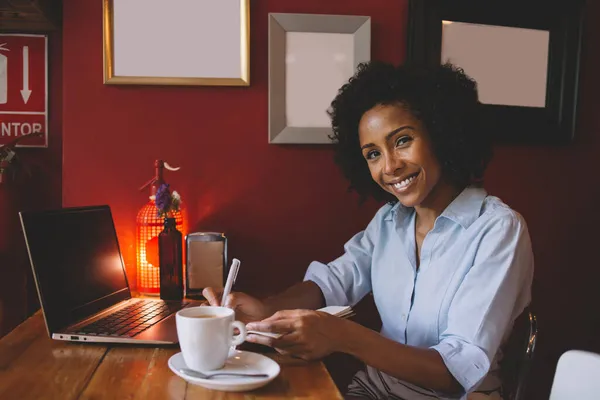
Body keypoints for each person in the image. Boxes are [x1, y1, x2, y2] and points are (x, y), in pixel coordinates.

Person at [203, 61, 534, 400]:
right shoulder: (389, 222)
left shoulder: (498, 229)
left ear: (441, 133)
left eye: (402, 140)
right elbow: (331, 283)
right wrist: (265, 309)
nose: (389, 166)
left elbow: (453, 375)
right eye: (373, 154)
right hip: (373, 391)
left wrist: (341, 336)